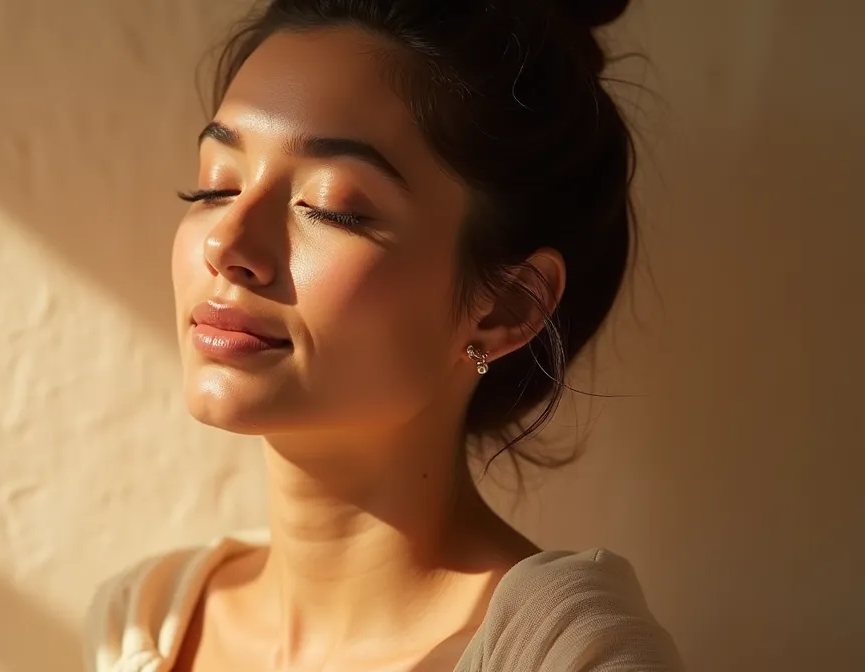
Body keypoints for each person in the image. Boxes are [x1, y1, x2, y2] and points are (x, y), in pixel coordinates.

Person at [85, 0, 683, 669]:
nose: (227, 242)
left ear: (506, 305)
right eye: (215, 187)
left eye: (331, 207)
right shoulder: (145, 621)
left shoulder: (565, 655)